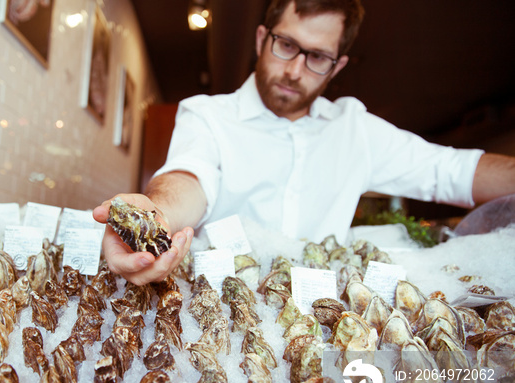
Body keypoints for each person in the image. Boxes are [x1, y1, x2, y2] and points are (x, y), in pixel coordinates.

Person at [93, 0, 515, 286]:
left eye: (316, 57)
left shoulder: (355, 127)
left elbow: (453, 171)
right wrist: (157, 216)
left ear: (337, 66)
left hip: (318, 321)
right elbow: (189, 176)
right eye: (287, 45)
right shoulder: (207, 114)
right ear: (262, 39)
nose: (295, 70)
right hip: (216, 311)